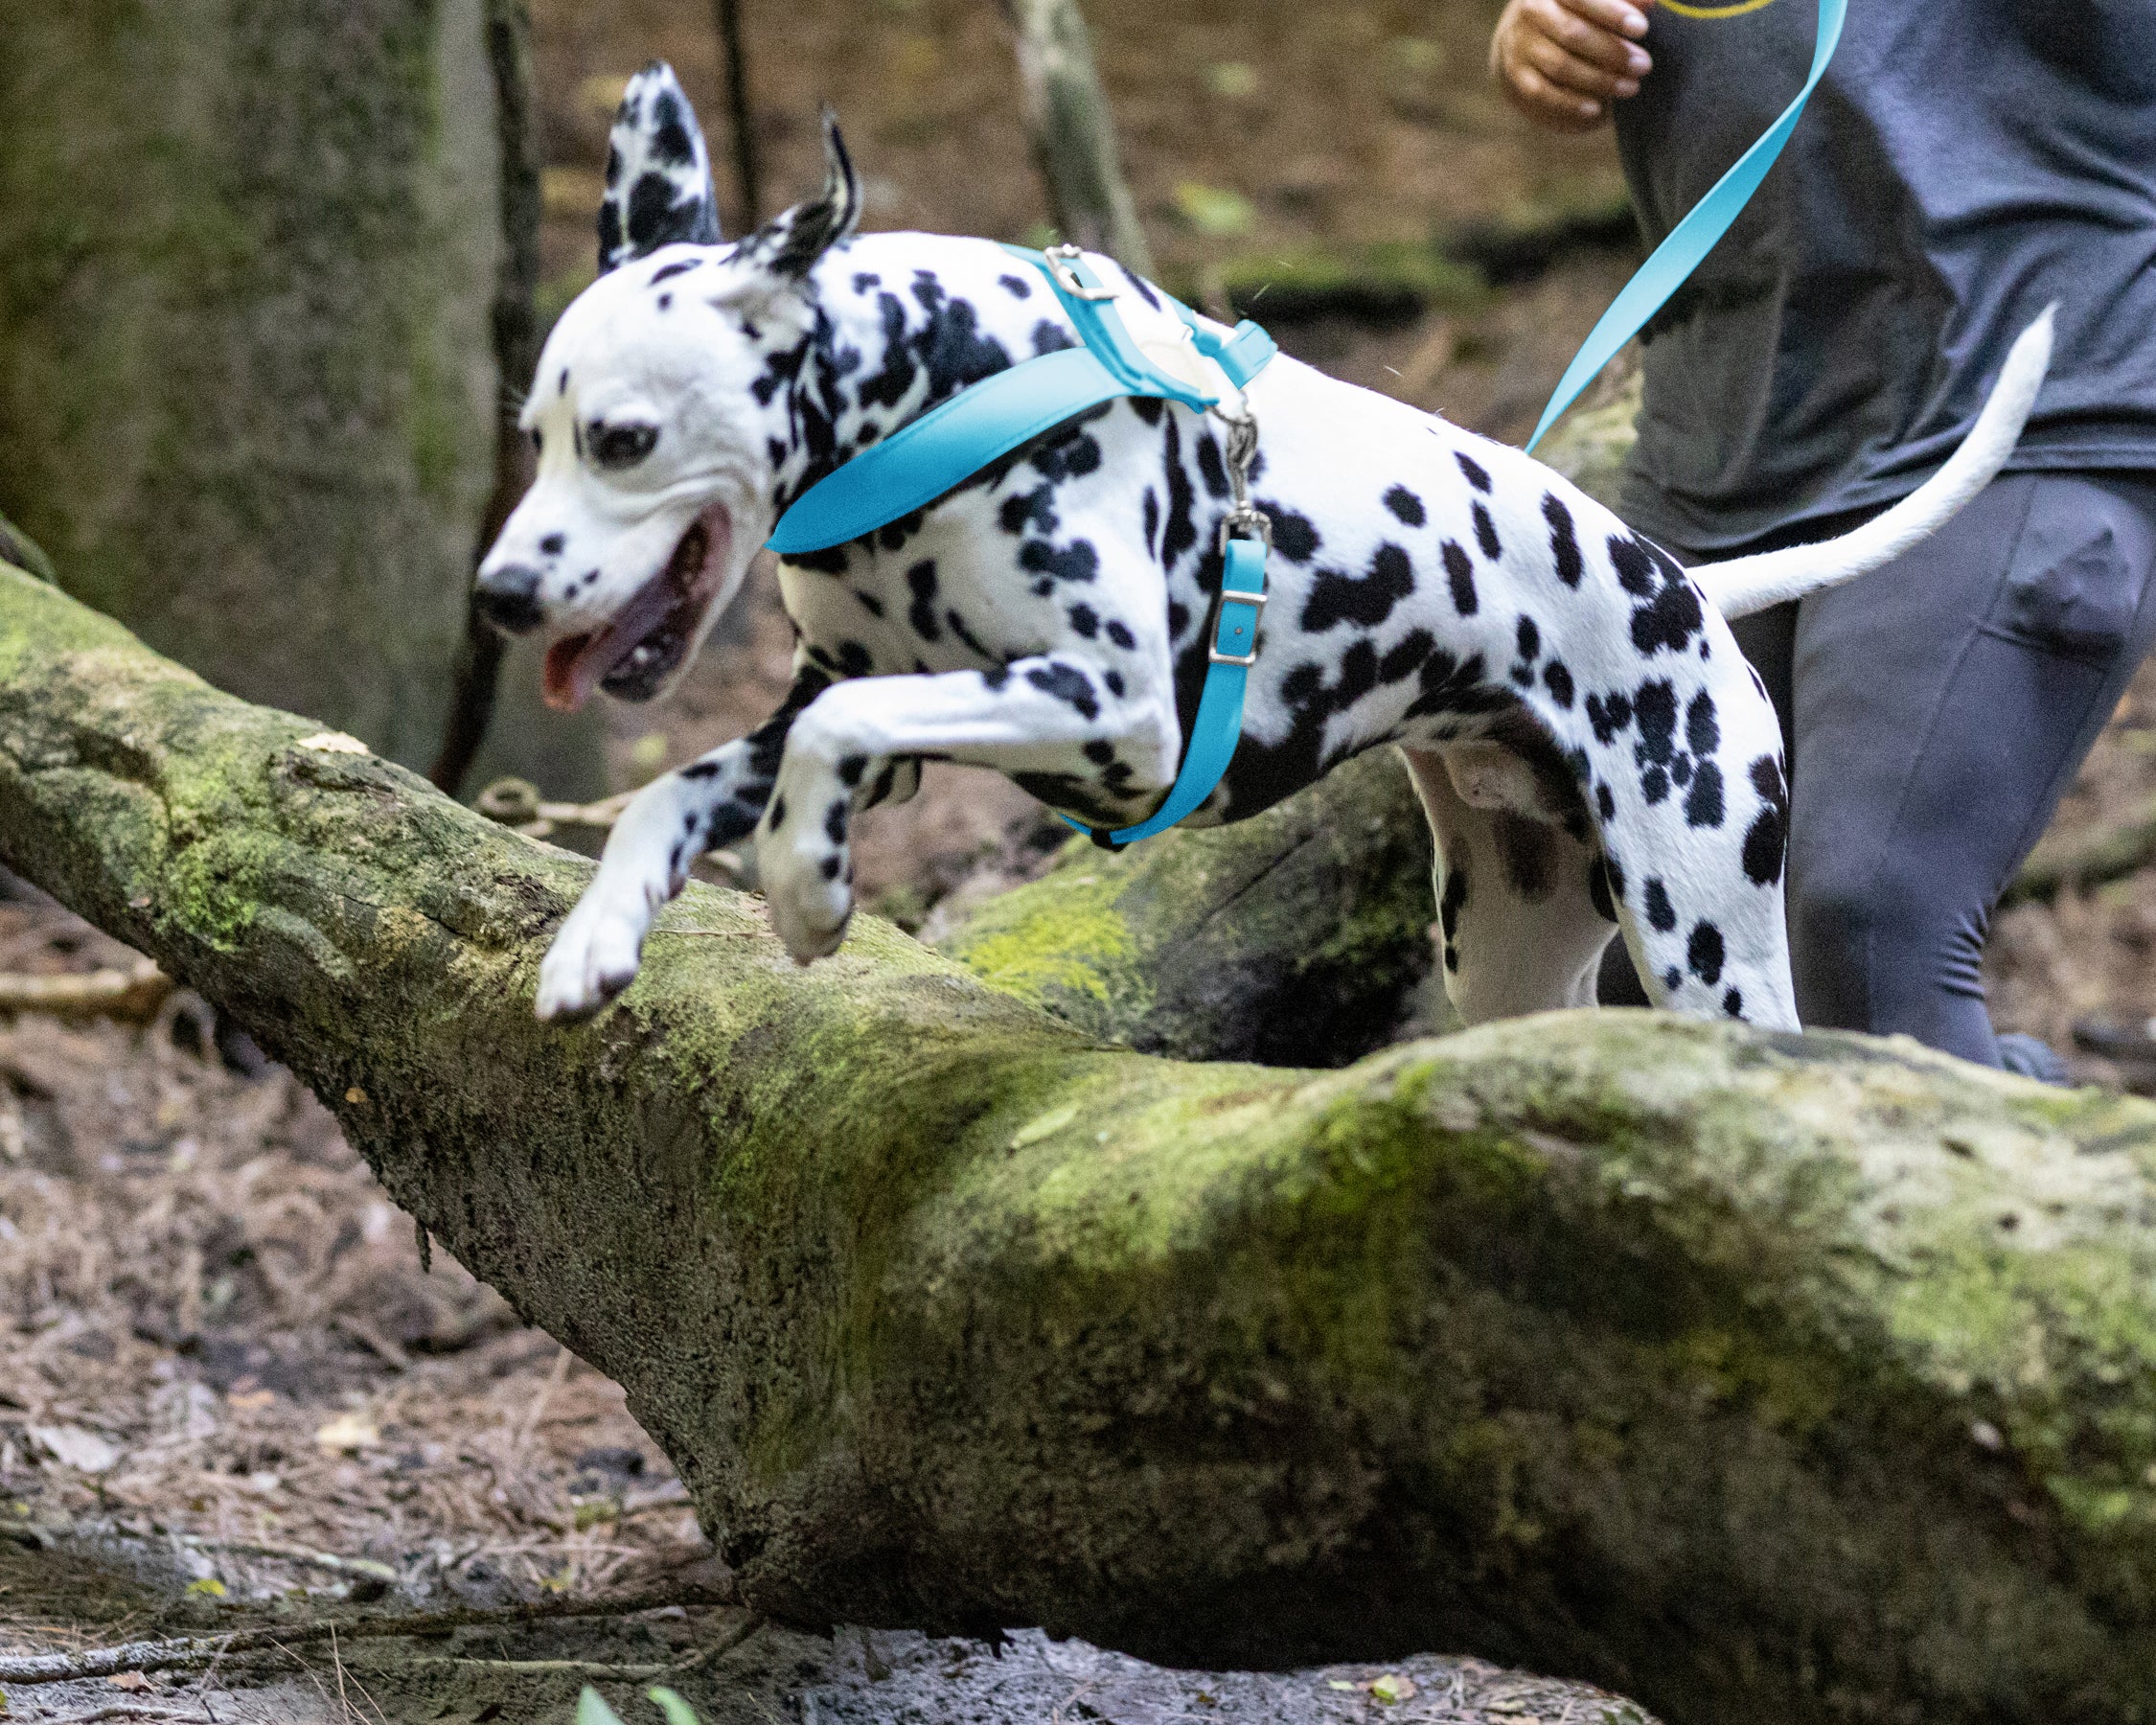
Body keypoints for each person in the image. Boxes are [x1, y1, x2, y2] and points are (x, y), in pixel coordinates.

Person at [1488, 0, 2156, 1076]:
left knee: (1866, 929)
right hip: (1719, 438)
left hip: (2022, 403)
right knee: (1630, 980)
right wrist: (1539, 37)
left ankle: (2069, 1211)